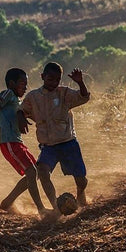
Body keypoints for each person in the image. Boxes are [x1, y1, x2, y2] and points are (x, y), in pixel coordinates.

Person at [17, 62, 90, 212]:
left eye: (57, 80)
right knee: (43, 172)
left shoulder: (64, 93)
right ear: (43, 77)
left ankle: (81, 193)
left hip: (68, 143)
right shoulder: (33, 97)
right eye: (50, 79)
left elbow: (83, 97)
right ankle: (56, 207)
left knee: (81, 179)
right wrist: (21, 118)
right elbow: (20, 110)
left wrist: (80, 82)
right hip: (48, 146)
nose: (54, 83)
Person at [0, 68, 53, 219]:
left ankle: (7, 202)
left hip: (17, 142)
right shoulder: (7, 94)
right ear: (11, 83)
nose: (25, 87)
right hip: (9, 143)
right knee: (32, 172)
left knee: (36, 172)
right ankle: (41, 209)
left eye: (26, 84)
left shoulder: (16, 100)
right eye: (22, 83)